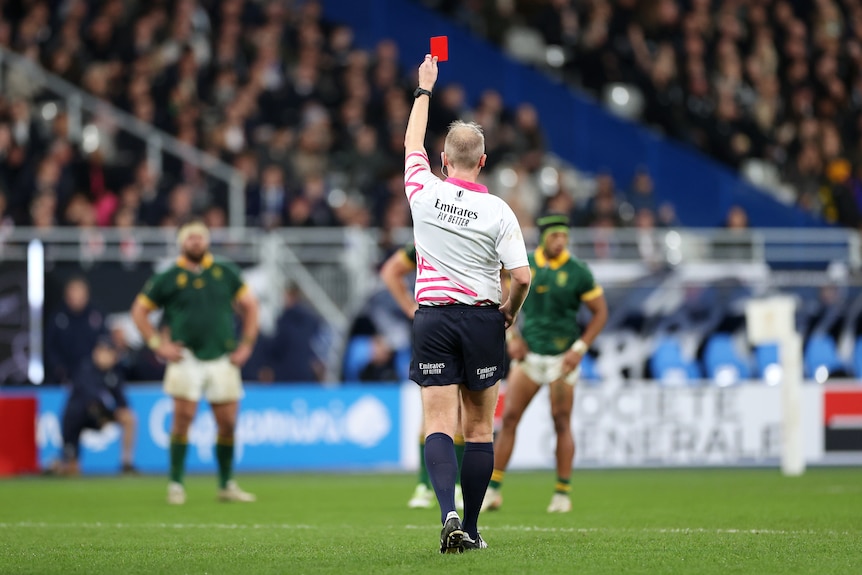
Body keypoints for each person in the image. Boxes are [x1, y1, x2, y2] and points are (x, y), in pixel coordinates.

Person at [404, 54, 531, 553]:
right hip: (482, 319)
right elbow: (521, 276)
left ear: (442, 159)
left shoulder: (422, 190)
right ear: (482, 162)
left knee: (438, 424)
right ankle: (473, 530)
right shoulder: (498, 210)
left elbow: (411, 141)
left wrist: (424, 88)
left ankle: (447, 512)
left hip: (432, 318)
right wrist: (508, 312)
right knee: (479, 429)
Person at [481, 213, 608, 513]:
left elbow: (600, 313)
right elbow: (500, 299)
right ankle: (494, 490)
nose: (560, 240)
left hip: (562, 359)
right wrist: (513, 339)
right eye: (555, 235)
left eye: (564, 235)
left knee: (561, 422)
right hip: (530, 356)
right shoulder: (525, 265)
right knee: (509, 419)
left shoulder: (578, 271)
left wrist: (579, 348)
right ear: (544, 237)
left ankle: (562, 493)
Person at [130, 220, 259, 505]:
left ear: (208, 241)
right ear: (182, 243)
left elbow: (251, 306)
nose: (196, 242)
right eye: (191, 238)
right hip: (185, 356)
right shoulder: (168, 276)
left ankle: (226, 483)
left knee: (227, 423)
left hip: (222, 355)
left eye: (200, 237)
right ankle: (176, 484)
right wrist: (157, 345)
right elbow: (139, 311)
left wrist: (246, 345)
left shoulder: (225, 272)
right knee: (182, 419)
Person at [379, 244, 466, 510]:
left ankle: (453, 486)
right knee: (433, 411)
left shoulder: (446, 236)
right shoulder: (425, 241)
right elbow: (390, 272)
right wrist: (409, 306)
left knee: (458, 411)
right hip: (440, 328)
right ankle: (425, 484)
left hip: (460, 325)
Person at [53, 338, 138, 476]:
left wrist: (115, 411)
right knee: (72, 470)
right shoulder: (85, 369)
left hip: (100, 415)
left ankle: (126, 463)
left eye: (109, 352)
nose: (105, 356)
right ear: (95, 353)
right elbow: (91, 398)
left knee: (129, 417)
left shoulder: (114, 374)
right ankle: (56, 465)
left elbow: (122, 402)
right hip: (76, 419)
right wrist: (107, 411)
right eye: (102, 351)